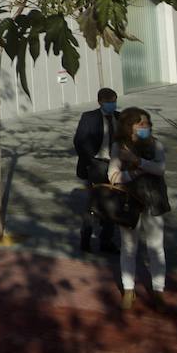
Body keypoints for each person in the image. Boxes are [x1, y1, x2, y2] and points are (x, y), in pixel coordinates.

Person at [109, 107, 170, 310]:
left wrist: (137, 162)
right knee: (128, 248)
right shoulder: (119, 147)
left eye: (147, 123)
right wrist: (134, 173)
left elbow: (160, 168)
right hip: (128, 203)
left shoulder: (156, 145)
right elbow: (113, 177)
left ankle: (158, 290)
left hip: (153, 201)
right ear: (129, 126)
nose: (145, 127)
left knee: (156, 248)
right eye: (140, 123)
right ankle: (128, 289)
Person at [74, 87, 121, 254]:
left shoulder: (118, 117)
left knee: (113, 204)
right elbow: (79, 141)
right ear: (100, 102)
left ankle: (106, 241)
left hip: (114, 165)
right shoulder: (89, 117)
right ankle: (85, 238)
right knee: (94, 205)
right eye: (109, 102)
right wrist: (90, 162)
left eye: (114, 101)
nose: (112, 105)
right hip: (97, 165)